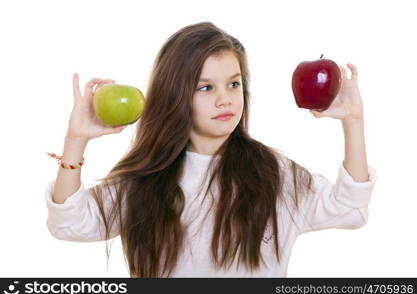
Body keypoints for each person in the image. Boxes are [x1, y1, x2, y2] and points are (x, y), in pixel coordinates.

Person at [45, 22, 377, 278]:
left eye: (234, 84)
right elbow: (68, 224)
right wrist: (76, 140)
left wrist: (354, 121)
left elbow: (350, 210)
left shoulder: (274, 174)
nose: (225, 99)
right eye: (206, 87)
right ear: (174, 94)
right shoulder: (143, 182)